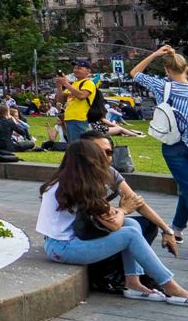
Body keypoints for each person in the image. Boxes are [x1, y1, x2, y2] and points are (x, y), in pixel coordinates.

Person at [37, 137, 188, 302]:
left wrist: (164, 228)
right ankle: (170, 287)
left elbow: (115, 212)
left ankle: (133, 282)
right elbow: (115, 225)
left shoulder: (67, 182)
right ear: (88, 161)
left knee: (131, 223)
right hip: (62, 248)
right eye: (99, 156)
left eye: (108, 153)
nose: (104, 160)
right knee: (129, 233)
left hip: (60, 243)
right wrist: (124, 209)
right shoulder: (80, 187)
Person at [129, 45, 188, 235]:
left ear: (167, 70)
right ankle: (176, 229)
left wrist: (154, 54)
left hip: (173, 146)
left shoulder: (163, 86)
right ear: (185, 68)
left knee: (186, 188)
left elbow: (135, 72)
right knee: (186, 188)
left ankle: (176, 229)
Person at [57, 58, 99, 146]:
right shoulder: (74, 84)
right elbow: (60, 100)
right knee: (74, 146)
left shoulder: (88, 83)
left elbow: (82, 96)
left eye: (79, 68)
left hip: (79, 119)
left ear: (88, 71)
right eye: (75, 68)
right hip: (69, 118)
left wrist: (66, 84)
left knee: (79, 146)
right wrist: (59, 87)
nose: (76, 70)